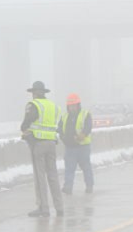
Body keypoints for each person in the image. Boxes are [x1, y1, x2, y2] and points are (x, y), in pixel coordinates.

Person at [21, 81, 63, 217]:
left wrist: (25, 130)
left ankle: (43, 208)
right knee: (53, 176)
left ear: (34, 92)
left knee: (40, 177)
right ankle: (59, 207)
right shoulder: (54, 107)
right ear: (44, 92)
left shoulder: (34, 105)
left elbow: (25, 124)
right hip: (51, 143)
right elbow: (57, 125)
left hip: (38, 144)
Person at [59, 92, 94, 195]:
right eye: (70, 106)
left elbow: (88, 126)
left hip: (83, 146)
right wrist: (63, 138)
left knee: (86, 167)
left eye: (74, 105)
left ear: (78, 105)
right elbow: (60, 129)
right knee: (69, 168)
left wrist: (83, 135)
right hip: (70, 147)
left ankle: (89, 186)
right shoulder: (65, 116)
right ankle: (68, 187)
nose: (72, 108)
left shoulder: (85, 114)